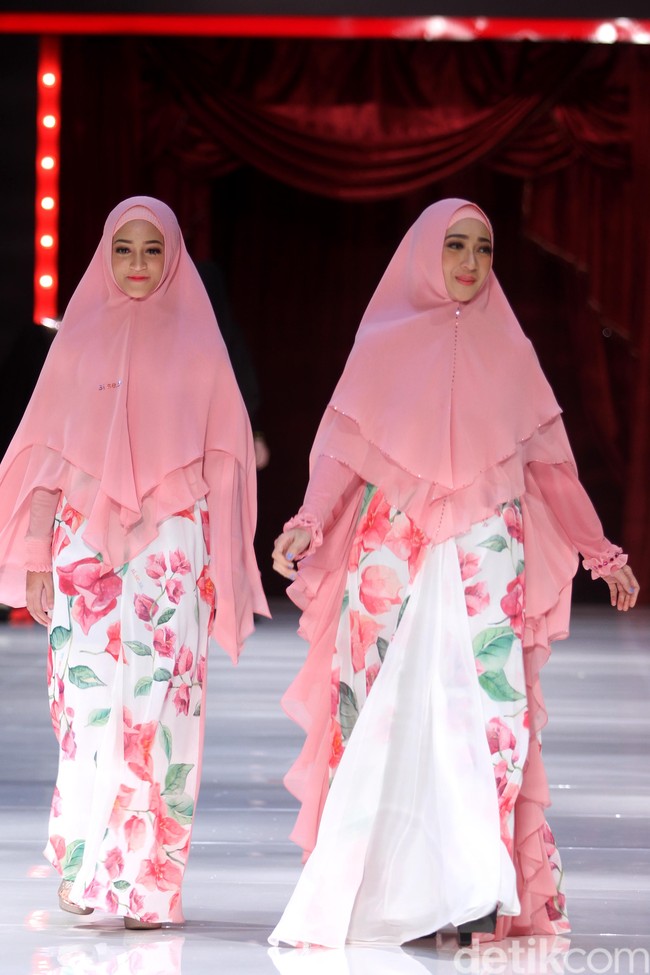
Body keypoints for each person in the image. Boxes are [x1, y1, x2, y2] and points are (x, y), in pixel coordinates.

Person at [269, 199, 639, 948]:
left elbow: (550, 466)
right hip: (391, 545)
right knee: (381, 709)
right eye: (455, 245)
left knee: (486, 714)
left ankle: (473, 890)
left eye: (483, 248)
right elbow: (343, 450)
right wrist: (307, 519)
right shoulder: (383, 342)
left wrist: (600, 550)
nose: (470, 261)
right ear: (424, 254)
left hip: (485, 546)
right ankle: (380, 885)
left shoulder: (510, 347)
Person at [0, 197, 269, 929]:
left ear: (173, 256)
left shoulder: (198, 348)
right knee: (85, 706)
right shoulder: (78, 343)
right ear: (106, 256)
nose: (139, 264)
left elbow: (225, 457)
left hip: (172, 551)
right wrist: (36, 557)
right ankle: (85, 865)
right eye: (124, 249)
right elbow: (47, 460)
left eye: (153, 250)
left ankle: (149, 883)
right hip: (81, 548)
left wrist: (221, 565)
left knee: (162, 711)